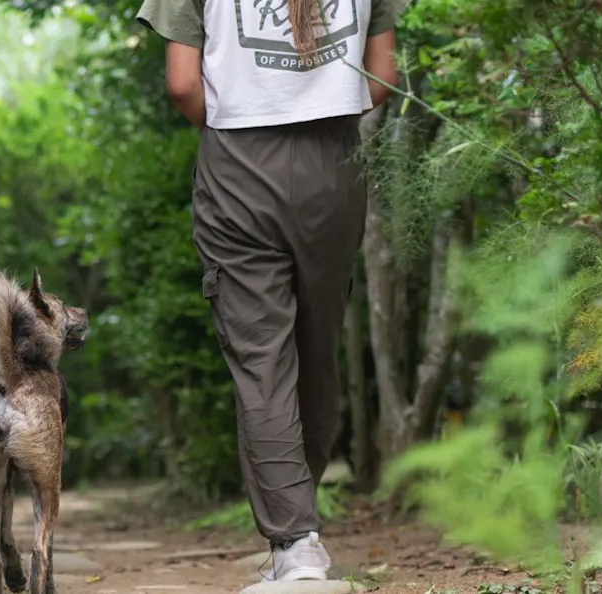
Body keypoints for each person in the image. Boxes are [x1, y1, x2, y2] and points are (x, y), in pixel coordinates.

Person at [134, 0, 406, 583]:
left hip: (240, 163)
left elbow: (182, 84)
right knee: (316, 347)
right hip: (334, 166)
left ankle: (297, 543)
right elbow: (382, 76)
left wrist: (244, 127)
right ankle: (300, 523)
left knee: (262, 358)